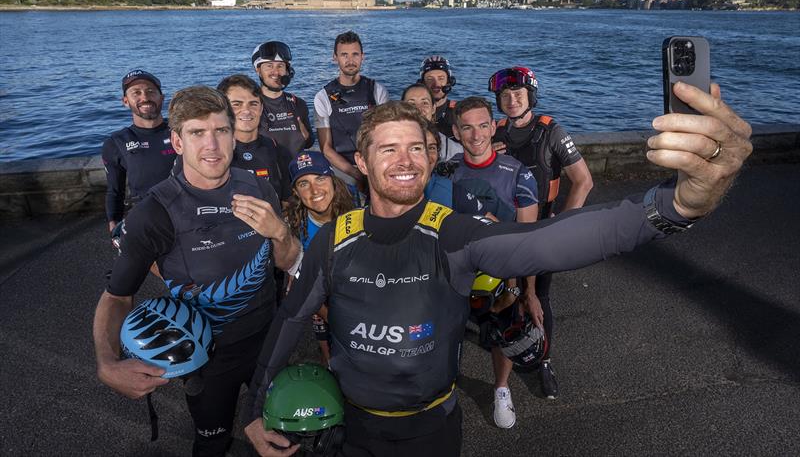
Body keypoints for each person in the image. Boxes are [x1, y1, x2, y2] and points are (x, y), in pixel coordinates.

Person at [244, 83, 752, 457]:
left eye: (417, 147)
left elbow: (552, 241)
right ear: (361, 158)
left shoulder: (454, 234)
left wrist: (677, 206)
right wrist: (255, 409)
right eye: (389, 148)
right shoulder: (336, 237)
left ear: (431, 155)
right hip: (350, 428)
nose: (406, 159)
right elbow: (290, 320)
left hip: (433, 430)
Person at [92, 86, 301, 457]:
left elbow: (287, 261)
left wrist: (281, 233)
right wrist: (107, 362)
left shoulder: (260, 188)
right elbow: (117, 295)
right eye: (197, 133)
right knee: (212, 440)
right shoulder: (155, 212)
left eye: (221, 131)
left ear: (234, 135)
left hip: (269, 340)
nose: (212, 146)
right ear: (177, 141)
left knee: (281, 431)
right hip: (207, 356)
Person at [490, 65, 595, 400]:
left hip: (543, 227)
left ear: (530, 96)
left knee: (540, 297)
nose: (510, 100)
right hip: (504, 228)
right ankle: (505, 353)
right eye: (504, 95)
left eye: (517, 94)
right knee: (506, 295)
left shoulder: (550, 131)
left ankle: (544, 360)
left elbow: (583, 181)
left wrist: (563, 226)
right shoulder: (495, 132)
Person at [449, 96, 540, 429]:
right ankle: (445, 388)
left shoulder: (518, 174)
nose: (476, 135)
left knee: (503, 334)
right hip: (455, 275)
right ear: (456, 132)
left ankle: (501, 388)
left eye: (483, 126)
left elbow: (527, 239)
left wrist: (528, 290)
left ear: (494, 126)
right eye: (467, 128)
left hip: (502, 276)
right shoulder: (446, 172)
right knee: (447, 335)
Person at [285, 150, 355, 366]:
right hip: (319, 292)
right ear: (296, 192)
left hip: (354, 285)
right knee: (331, 359)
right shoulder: (295, 224)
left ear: (332, 179)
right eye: (304, 184)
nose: (315, 190)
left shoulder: (357, 205)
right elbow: (300, 284)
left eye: (320, 178)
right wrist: (331, 317)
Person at [314, 31, 389, 200]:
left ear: (363, 56)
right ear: (335, 57)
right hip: (343, 171)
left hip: (374, 166)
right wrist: (356, 174)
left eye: (355, 54)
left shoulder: (377, 90)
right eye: (344, 55)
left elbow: (386, 135)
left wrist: (371, 171)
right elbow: (326, 148)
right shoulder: (322, 96)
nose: (350, 61)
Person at [101, 70, 176, 234]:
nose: (145, 97)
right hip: (147, 218)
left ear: (161, 98)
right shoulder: (116, 143)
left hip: (189, 213)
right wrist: (114, 223)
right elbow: (115, 190)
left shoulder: (182, 130)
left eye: (151, 91)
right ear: (125, 101)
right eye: (136, 92)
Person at [217, 74, 292, 204]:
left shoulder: (276, 151)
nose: (246, 111)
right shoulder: (210, 153)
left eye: (253, 104)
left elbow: (287, 200)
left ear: (261, 108)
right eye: (236, 104)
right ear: (221, 109)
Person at [252, 41, 314, 157]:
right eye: (269, 66)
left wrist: (306, 136)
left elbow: (309, 142)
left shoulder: (298, 103)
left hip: (296, 171)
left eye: (280, 66)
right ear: (258, 70)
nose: (276, 72)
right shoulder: (251, 106)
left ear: (287, 70)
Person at [402, 83, 463, 162]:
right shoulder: (387, 140)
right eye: (411, 104)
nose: (418, 109)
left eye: (425, 103)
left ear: (433, 109)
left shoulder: (453, 151)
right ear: (401, 108)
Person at [420, 55, 459, 139]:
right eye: (430, 79)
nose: (436, 84)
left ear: (449, 81)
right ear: (422, 83)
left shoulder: (459, 112)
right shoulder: (412, 113)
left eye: (441, 78)